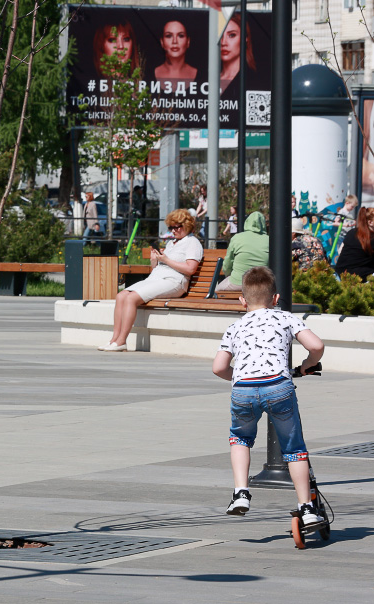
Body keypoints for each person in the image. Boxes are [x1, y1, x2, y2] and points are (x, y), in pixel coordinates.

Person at [213, 266, 326, 529]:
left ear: (243, 300)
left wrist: (240, 376)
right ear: (275, 299)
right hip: (278, 387)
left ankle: (241, 493)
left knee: (240, 438)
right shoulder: (285, 318)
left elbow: (218, 367)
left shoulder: (235, 326)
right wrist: (308, 363)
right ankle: (307, 508)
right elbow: (316, 346)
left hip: (243, 390)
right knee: (294, 448)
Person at [100, 209, 202, 351]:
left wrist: (166, 259)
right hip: (157, 278)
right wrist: (155, 261)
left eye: (176, 227)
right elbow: (158, 268)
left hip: (174, 281)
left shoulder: (192, 242)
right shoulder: (172, 243)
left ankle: (122, 341)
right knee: (121, 295)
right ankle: (114, 339)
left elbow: (190, 269)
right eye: (171, 227)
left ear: (187, 225)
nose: (173, 231)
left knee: (131, 298)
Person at [216, 212, 269, 293]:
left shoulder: (237, 238)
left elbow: (227, 264)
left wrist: (228, 275)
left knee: (215, 291)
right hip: (261, 284)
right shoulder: (269, 240)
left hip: (237, 282)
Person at [333, 206, 374, 280]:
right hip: (356, 277)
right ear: (370, 222)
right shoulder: (372, 238)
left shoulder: (352, 232)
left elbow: (340, 251)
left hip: (340, 274)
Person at [219, 13, 256, 92]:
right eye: (220, 35)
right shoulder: (206, 79)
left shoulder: (254, 80)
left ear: (245, 38)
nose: (223, 42)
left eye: (232, 35)